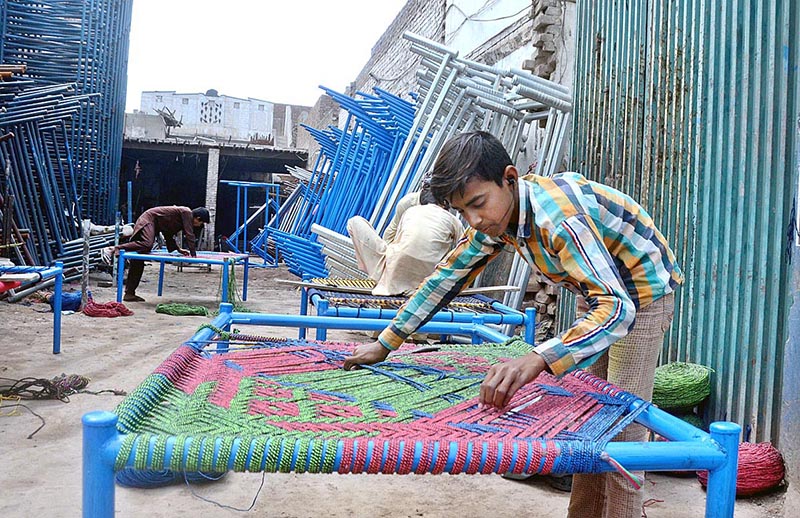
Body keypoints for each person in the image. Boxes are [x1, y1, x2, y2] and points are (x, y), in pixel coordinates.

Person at [343, 131, 682, 518]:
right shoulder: (498, 219)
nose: (473, 219)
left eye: (477, 204)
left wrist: (536, 358)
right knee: (590, 422)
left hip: (641, 293)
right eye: (462, 211)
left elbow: (618, 309)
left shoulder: (559, 220)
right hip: (598, 293)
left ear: (509, 177)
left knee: (621, 433)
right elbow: (445, 279)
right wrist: (385, 343)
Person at [346, 181, 464, 296]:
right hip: (428, 280)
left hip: (395, 270)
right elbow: (465, 252)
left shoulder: (410, 210)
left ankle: (383, 277)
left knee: (355, 222)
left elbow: (395, 240)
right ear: (446, 203)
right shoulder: (453, 220)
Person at [101, 206, 210, 302]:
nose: (198, 225)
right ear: (198, 218)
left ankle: (129, 293)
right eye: (201, 223)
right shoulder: (186, 212)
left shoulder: (178, 220)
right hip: (148, 220)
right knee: (147, 244)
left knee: (138, 261)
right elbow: (189, 233)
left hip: (152, 224)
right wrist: (194, 255)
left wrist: (178, 249)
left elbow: (168, 234)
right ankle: (112, 249)